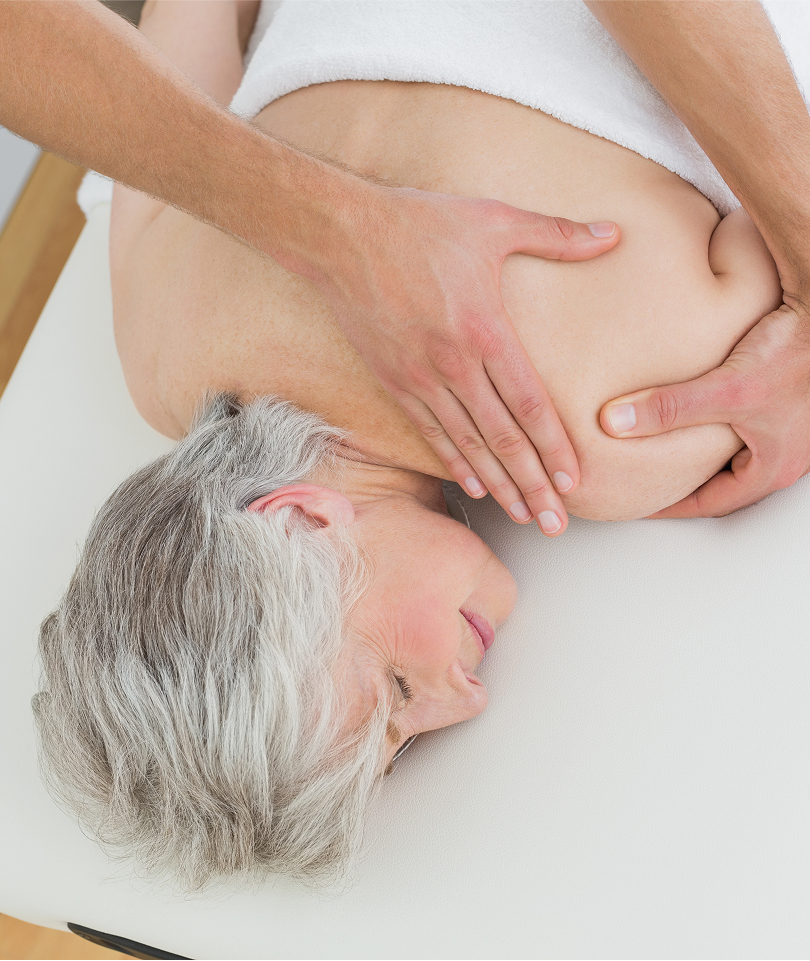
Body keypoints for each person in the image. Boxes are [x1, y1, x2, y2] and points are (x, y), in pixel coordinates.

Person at [31, 0, 806, 890]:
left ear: (297, 520)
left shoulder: (611, 430)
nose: (463, 699)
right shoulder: (159, 340)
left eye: (395, 690)